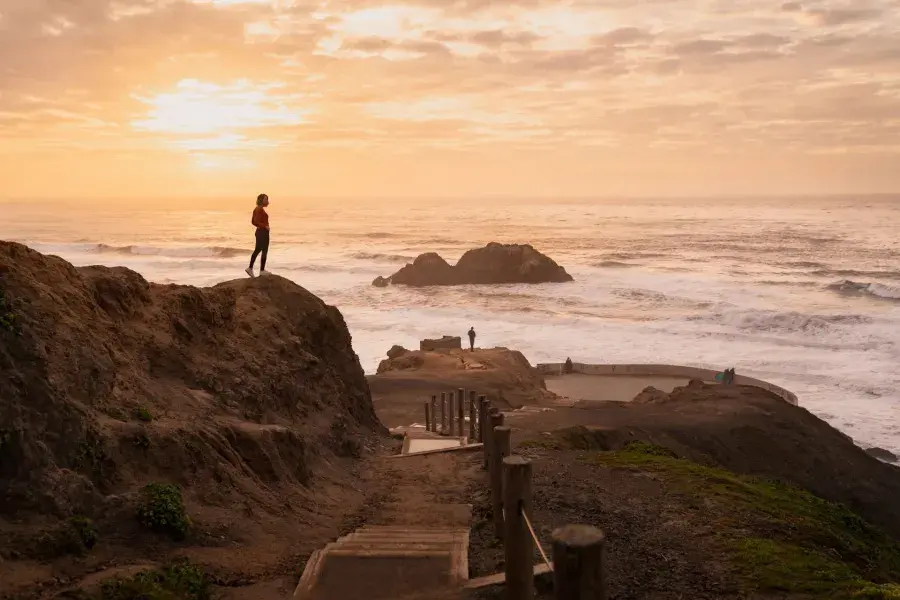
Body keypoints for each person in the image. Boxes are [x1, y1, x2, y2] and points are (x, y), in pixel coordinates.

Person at [246, 193, 270, 277]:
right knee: (264, 250)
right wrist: (265, 226)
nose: (267, 201)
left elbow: (253, 221)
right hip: (262, 232)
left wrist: (262, 227)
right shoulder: (259, 209)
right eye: (266, 199)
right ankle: (261, 270)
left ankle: (251, 268)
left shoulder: (258, 209)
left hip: (261, 232)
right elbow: (255, 221)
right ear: (261, 200)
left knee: (258, 250)